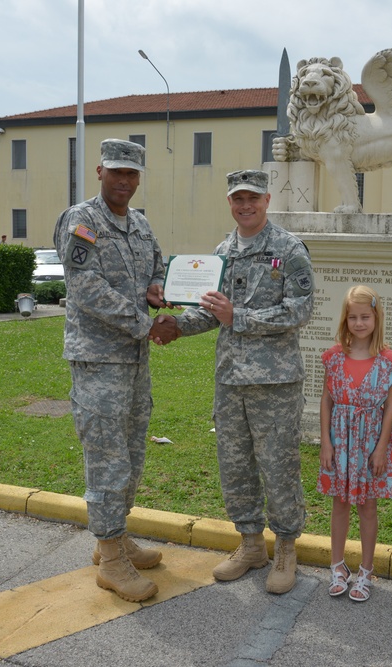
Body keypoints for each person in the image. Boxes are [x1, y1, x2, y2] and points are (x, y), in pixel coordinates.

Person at [156, 169, 314, 595]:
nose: (245, 206)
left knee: (279, 466)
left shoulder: (288, 248)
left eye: (253, 199)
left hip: (275, 383)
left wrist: (238, 317)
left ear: (266, 201)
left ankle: (284, 548)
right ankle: (250, 545)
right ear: (230, 202)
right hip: (230, 380)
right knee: (236, 465)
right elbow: (210, 312)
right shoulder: (221, 252)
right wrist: (176, 325)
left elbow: (300, 310)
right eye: (237, 199)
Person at [53, 138, 177, 603]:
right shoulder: (81, 221)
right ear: (100, 171)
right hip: (98, 360)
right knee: (106, 457)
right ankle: (110, 558)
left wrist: (157, 285)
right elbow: (85, 288)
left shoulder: (140, 224)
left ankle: (115, 535)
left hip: (134, 361)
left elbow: (157, 264)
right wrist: (145, 323)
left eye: (132, 174)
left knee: (130, 453)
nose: (124, 181)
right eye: (116, 172)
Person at [317, 285, 392, 602]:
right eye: (353, 317)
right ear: (345, 319)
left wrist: (381, 448)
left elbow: (391, 407)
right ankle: (337, 566)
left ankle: (366, 571)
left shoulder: (388, 360)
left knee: (368, 505)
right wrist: (326, 442)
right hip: (340, 440)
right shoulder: (335, 357)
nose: (359, 323)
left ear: (376, 318)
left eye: (365, 316)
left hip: (370, 442)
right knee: (340, 502)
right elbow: (327, 402)